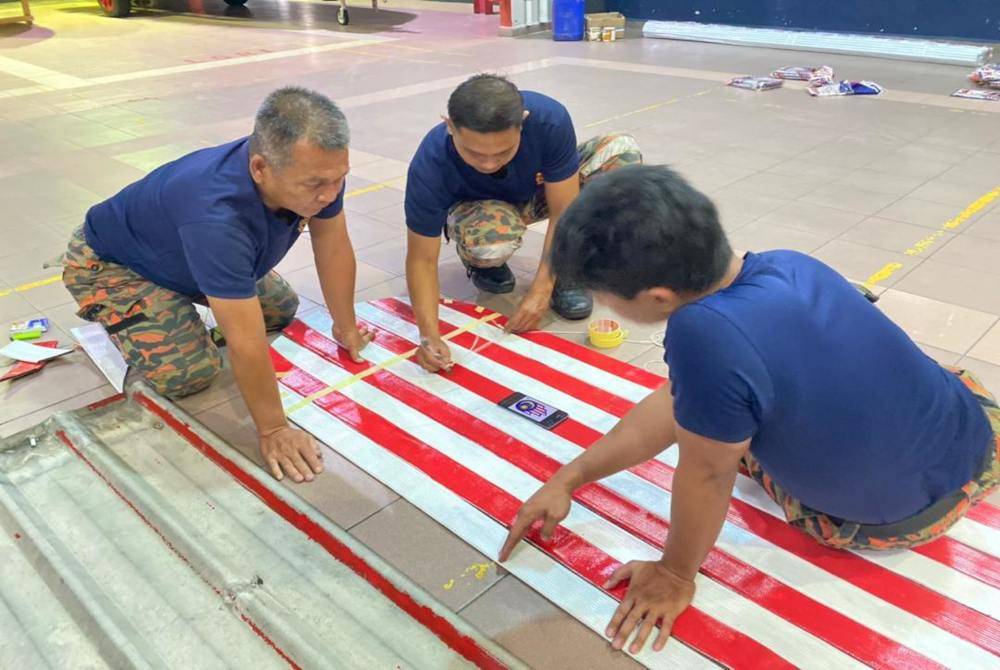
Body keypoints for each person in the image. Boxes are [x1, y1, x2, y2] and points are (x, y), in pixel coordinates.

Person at [499, 165, 999, 654]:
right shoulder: (789, 262)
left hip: (893, 521)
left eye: (606, 298)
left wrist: (674, 574)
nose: (606, 307)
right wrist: (571, 477)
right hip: (980, 439)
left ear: (658, 297)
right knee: (731, 392)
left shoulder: (702, 334)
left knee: (722, 434)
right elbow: (681, 399)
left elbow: (707, 474)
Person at [63, 87, 373, 484]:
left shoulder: (315, 170)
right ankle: (137, 315)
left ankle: (181, 299)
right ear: (259, 168)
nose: (329, 194)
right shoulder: (215, 217)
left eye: (338, 178)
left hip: (181, 252)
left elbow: (333, 247)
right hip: (114, 265)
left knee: (281, 309)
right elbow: (244, 339)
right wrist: (274, 429)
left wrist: (345, 325)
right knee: (190, 374)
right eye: (315, 185)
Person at [404, 74, 641, 372]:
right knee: (490, 243)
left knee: (621, 154)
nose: (489, 163)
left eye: (503, 151)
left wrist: (542, 289)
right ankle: (483, 263)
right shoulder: (430, 164)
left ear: (523, 122)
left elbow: (564, 211)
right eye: (474, 153)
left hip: (535, 191)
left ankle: (568, 271)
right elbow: (421, 260)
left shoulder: (549, 120)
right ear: (449, 125)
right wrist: (428, 336)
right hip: (483, 210)